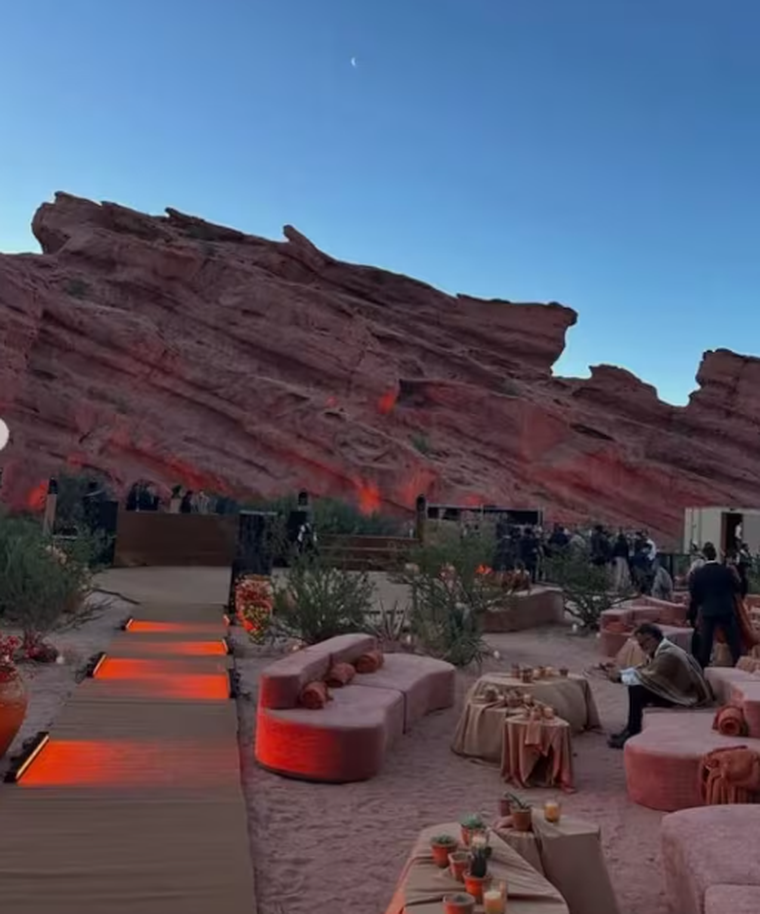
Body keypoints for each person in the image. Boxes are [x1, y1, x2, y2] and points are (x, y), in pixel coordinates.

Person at [607, 623, 712, 748]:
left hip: (686, 694)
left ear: (652, 638)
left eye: (643, 644)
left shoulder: (668, 654)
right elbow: (643, 669)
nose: (641, 647)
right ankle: (630, 728)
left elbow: (648, 676)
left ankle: (633, 731)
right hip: (677, 689)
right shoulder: (661, 649)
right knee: (636, 688)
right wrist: (621, 673)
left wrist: (620, 677)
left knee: (636, 689)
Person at [688, 542, 742, 668]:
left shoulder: (699, 573)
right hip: (726, 609)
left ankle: (704, 668)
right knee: (733, 641)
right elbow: (737, 588)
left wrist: (700, 606)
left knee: (706, 642)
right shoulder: (726, 571)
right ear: (715, 554)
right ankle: (738, 664)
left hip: (708, 610)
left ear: (704, 556)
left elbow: (695, 595)